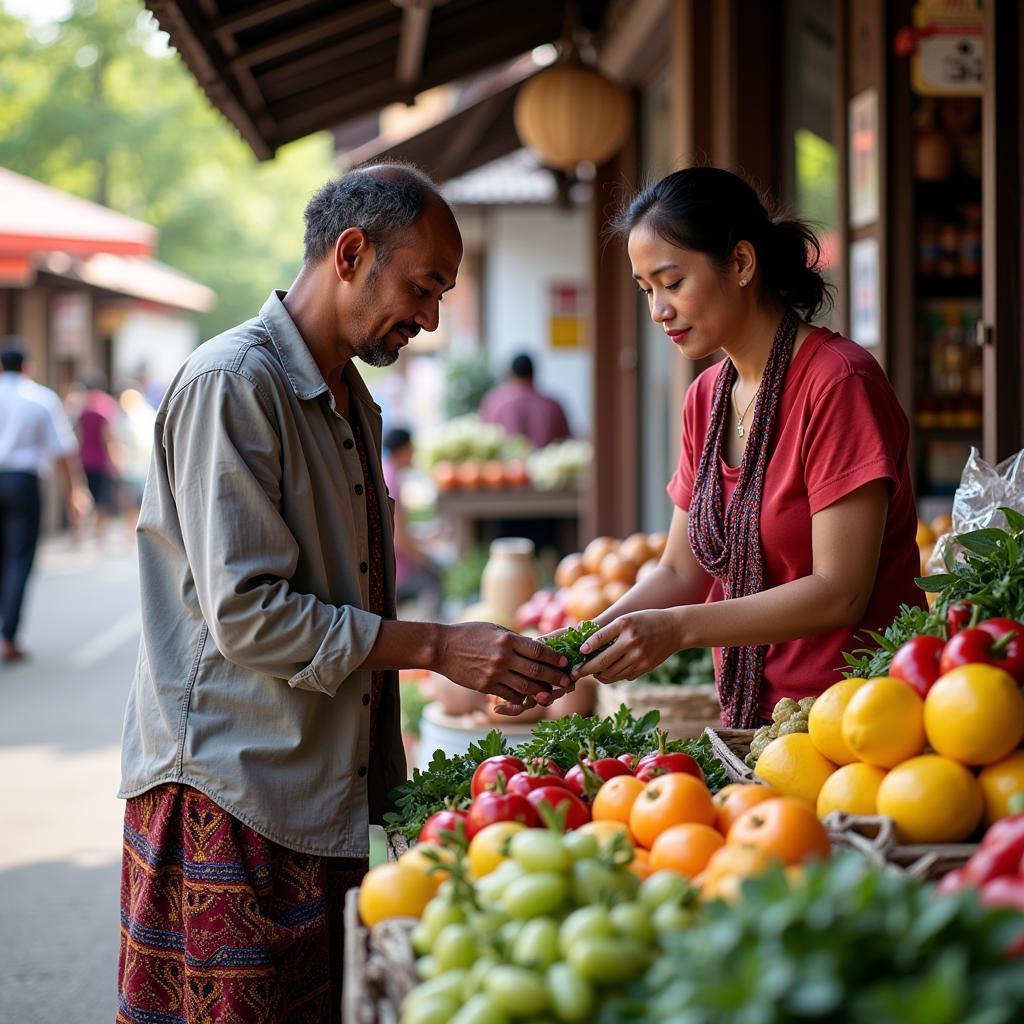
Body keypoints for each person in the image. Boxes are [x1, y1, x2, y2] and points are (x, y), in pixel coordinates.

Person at [116, 164, 573, 1024]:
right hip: (231, 789)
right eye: (424, 285)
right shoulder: (233, 384)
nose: (431, 316)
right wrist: (440, 647)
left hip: (315, 791)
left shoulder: (350, 398)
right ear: (351, 253)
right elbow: (250, 612)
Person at [565, 167, 923, 729]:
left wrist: (679, 628)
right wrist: (569, 651)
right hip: (753, 725)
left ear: (740, 264)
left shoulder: (838, 383)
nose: (659, 310)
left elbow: (840, 592)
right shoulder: (706, 397)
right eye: (647, 290)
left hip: (860, 721)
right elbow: (683, 571)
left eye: (672, 282)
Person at [0, 344, 88, 661]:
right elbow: (63, 450)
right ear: (27, 366)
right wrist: (74, 491)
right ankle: (8, 637)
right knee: (19, 559)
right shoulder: (40, 398)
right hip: (22, 482)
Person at [382, 426, 443, 617]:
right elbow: (398, 537)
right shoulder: (391, 479)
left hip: (391, 562)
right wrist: (424, 561)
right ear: (405, 449)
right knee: (435, 578)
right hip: (396, 570)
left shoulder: (385, 469)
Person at [479, 352, 571, 448]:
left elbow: (484, 439)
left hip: (506, 462)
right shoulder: (553, 406)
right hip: (543, 461)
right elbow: (565, 444)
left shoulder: (494, 402)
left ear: (510, 374)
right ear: (533, 375)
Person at [75, 370, 122, 540]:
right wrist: (114, 460)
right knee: (103, 500)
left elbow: (78, 437)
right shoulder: (106, 406)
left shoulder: (82, 408)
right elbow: (109, 437)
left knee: (86, 497)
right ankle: (98, 534)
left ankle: (79, 533)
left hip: (84, 459)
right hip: (102, 461)